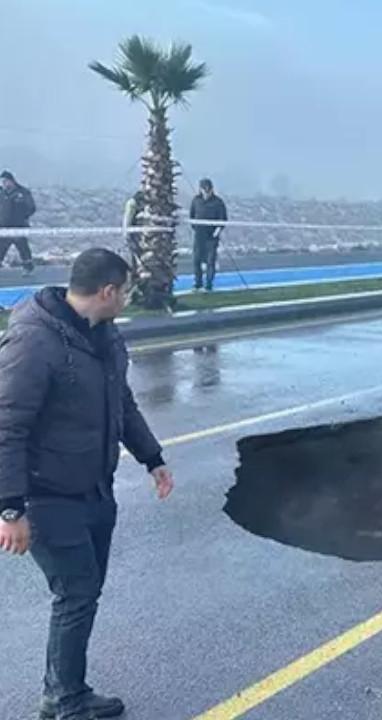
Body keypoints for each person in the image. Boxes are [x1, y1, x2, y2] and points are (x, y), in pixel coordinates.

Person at [0, 248, 176, 720]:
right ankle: (65, 701)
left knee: (84, 591)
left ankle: (62, 691)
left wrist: (152, 458)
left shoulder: (104, 334)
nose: (129, 298)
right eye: (127, 291)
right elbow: (7, 426)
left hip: (95, 491)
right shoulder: (33, 342)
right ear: (108, 291)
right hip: (46, 497)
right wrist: (11, 509)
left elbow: (122, 402)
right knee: (76, 593)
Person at [189, 178, 227, 292]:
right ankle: (198, 283)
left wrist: (217, 231)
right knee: (196, 260)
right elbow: (192, 216)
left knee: (210, 261)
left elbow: (223, 219)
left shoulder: (218, 202)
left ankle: (209, 284)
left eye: (208, 190)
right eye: (204, 190)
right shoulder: (196, 200)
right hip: (199, 235)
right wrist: (195, 227)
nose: (206, 192)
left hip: (211, 237)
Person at [0, 169, 37, 276]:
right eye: (3, 181)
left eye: (6, 181)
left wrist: (22, 217)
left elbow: (31, 207)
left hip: (19, 226)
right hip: (4, 227)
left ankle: (28, 267)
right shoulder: (2, 194)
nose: (4, 183)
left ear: (12, 181)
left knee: (22, 247)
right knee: (1, 247)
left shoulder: (22, 192)